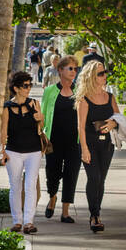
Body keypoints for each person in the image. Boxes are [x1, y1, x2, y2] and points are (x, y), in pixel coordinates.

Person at [75, 59, 117, 233]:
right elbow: (80, 126)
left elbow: (118, 118)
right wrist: (84, 149)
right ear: (92, 77)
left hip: (106, 144)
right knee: (94, 178)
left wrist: (112, 124)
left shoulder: (110, 97)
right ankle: (94, 215)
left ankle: (96, 212)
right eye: (101, 73)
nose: (105, 75)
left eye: (105, 72)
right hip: (89, 143)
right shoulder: (83, 99)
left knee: (102, 180)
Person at [37, 56, 81, 222]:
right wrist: (40, 134)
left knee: (71, 174)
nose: (73, 72)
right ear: (60, 70)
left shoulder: (80, 92)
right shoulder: (49, 91)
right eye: (70, 68)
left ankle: (65, 211)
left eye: (75, 69)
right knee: (52, 173)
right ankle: (52, 197)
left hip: (74, 141)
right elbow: (43, 116)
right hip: (53, 140)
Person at [0, 71, 42, 234]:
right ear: (16, 88)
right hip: (13, 151)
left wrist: (39, 117)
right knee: (15, 186)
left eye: (30, 85)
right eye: (25, 86)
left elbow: (40, 125)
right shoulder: (7, 108)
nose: (29, 88)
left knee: (30, 185)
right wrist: (2, 151)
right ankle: (17, 221)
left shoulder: (34, 104)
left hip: (34, 151)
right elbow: (3, 131)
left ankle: (28, 222)